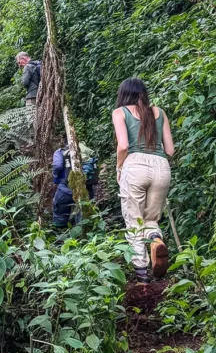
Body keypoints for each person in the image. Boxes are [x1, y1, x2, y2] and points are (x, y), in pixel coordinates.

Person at [111, 78, 175, 283]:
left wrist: (119, 168)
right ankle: (155, 240)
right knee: (151, 219)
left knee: (134, 222)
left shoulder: (120, 112)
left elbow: (123, 146)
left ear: (123, 95)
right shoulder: (159, 112)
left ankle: (142, 278)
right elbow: (170, 150)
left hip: (134, 166)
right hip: (161, 167)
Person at [51, 143, 99, 228]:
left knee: (60, 213)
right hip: (86, 189)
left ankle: (59, 231)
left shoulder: (60, 152)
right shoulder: (87, 152)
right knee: (84, 214)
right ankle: (84, 231)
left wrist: (56, 178)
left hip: (66, 189)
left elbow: (57, 166)